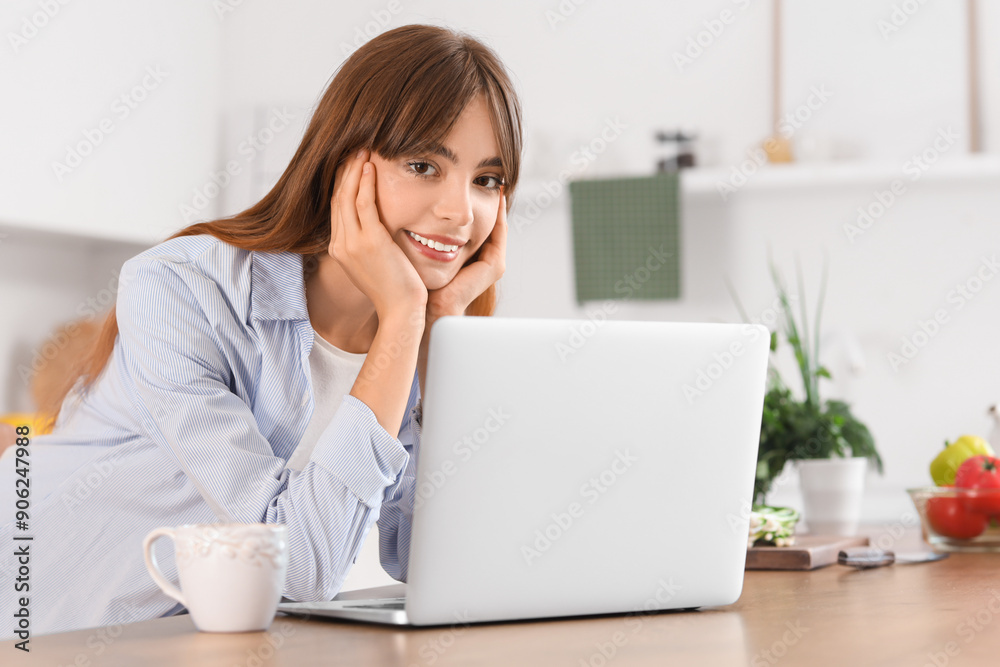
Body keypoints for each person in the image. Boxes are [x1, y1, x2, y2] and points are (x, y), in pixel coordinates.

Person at [0, 23, 522, 638]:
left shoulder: (419, 332)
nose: (461, 212)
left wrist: (437, 338)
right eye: (423, 164)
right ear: (344, 164)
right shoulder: (182, 288)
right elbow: (299, 565)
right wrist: (407, 319)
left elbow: (431, 562)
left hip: (202, 641)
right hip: (45, 628)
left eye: (486, 179)